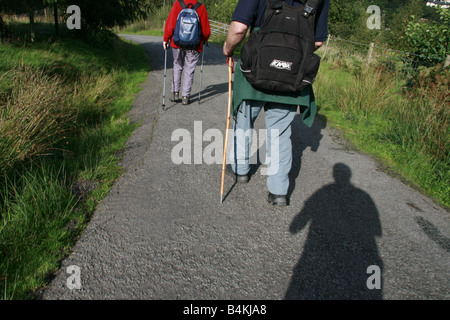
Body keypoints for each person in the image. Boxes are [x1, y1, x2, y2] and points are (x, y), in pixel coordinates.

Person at [223, 0, 330, 206]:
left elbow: (239, 29)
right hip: (291, 75)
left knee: (243, 120)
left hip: (255, 68)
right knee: (280, 132)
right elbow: (317, 42)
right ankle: (278, 191)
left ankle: (240, 170)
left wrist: (228, 50)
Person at [163, 0, 211, 105]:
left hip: (177, 43)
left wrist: (166, 39)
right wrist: (203, 40)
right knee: (189, 69)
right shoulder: (201, 7)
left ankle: (175, 93)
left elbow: (170, 24)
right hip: (194, 45)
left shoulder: (177, 4)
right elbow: (206, 31)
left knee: (177, 66)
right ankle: (185, 96)